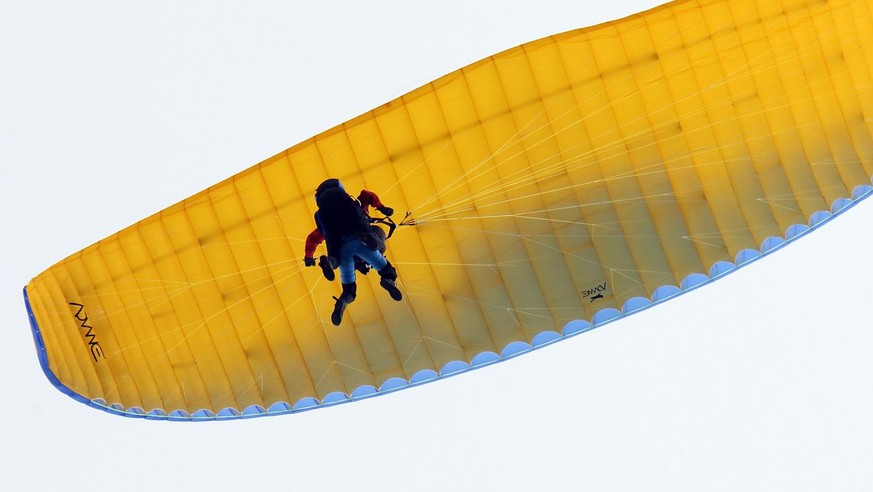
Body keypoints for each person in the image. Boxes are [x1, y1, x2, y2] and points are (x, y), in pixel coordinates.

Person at [304, 178, 402, 325]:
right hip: (362, 242)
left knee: (348, 284)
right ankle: (376, 252)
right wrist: (382, 207)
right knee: (380, 248)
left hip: (342, 250)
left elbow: (312, 239)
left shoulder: (326, 219)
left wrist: (308, 257)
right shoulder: (355, 205)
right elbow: (369, 195)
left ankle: (331, 263)